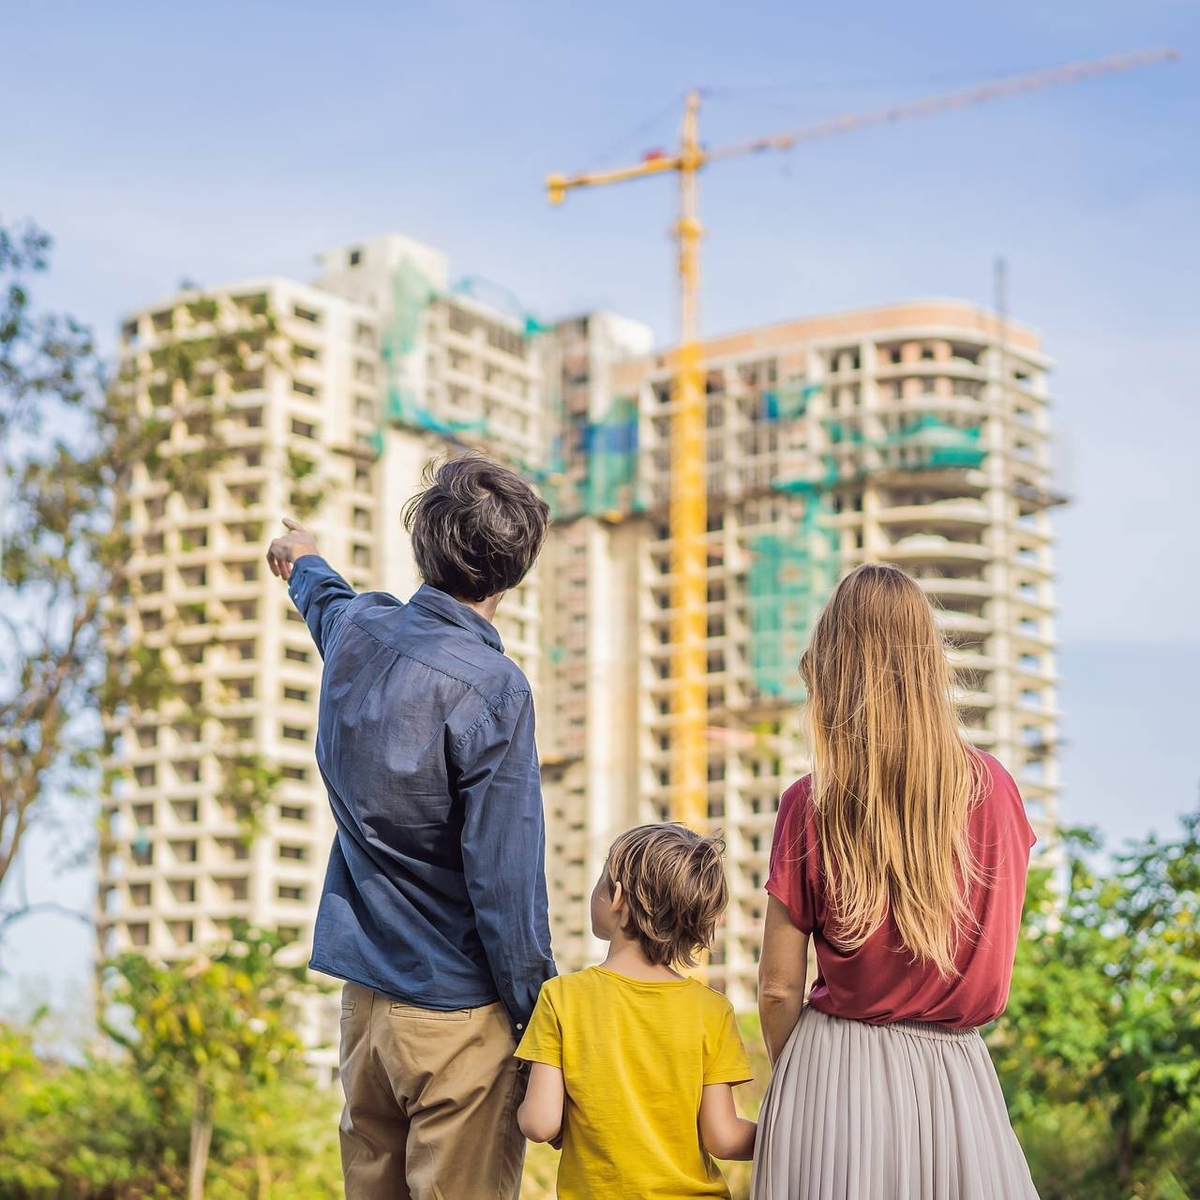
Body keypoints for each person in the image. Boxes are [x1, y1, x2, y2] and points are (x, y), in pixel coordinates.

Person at [265, 454, 556, 1200]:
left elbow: (324, 599)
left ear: (422, 541)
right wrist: (543, 1025)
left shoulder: (359, 632)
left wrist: (301, 556)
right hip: (457, 1019)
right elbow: (506, 886)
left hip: (364, 1012)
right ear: (514, 570)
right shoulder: (496, 690)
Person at [753, 563, 1040, 1200]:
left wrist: (799, 1080)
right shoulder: (995, 791)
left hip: (833, 1075)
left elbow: (777, 988)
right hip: (958, 1081)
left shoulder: (812, 803)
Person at [515, 823, 757, 1199]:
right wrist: (790, 1135)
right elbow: (724, 1138)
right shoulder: (713, 1010)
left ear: (617, 897)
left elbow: (540, 1123)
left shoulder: (562, 997)